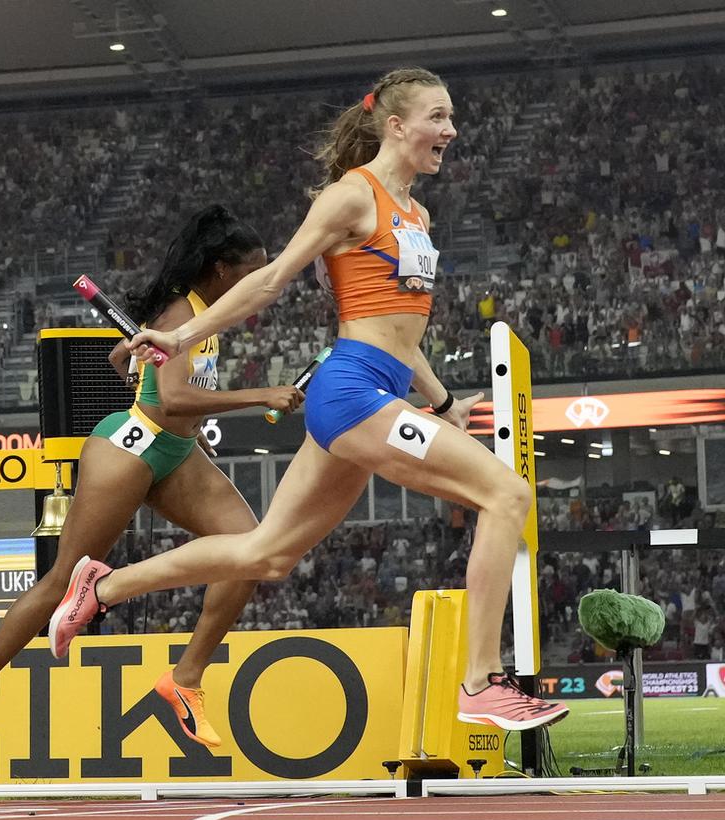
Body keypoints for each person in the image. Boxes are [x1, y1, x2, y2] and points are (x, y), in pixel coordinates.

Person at [48, 68, 569, 732]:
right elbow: (267, 282)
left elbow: (402, 333)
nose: (451, 130)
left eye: (452, 117)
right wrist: (178, 335)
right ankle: (481, 682)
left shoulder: (418, 213)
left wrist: (439, 404)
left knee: (267, 552)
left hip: (378, 385)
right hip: (349, 392)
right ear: (397, 125)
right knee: (508, 495)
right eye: (438, 117)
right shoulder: (353, 198)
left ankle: (102, 587)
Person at [0, 205, 302, 768]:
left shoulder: (207, 314)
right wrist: (262, 394)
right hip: (129, 448)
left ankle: (186, 677)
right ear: (224, 270)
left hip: (175, 453)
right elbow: (173, 398)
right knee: (60, 580)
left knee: (250, 550)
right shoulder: (184, 310)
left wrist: (136, 365)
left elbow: (123, 363)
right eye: (256, 268)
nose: (266, 278)